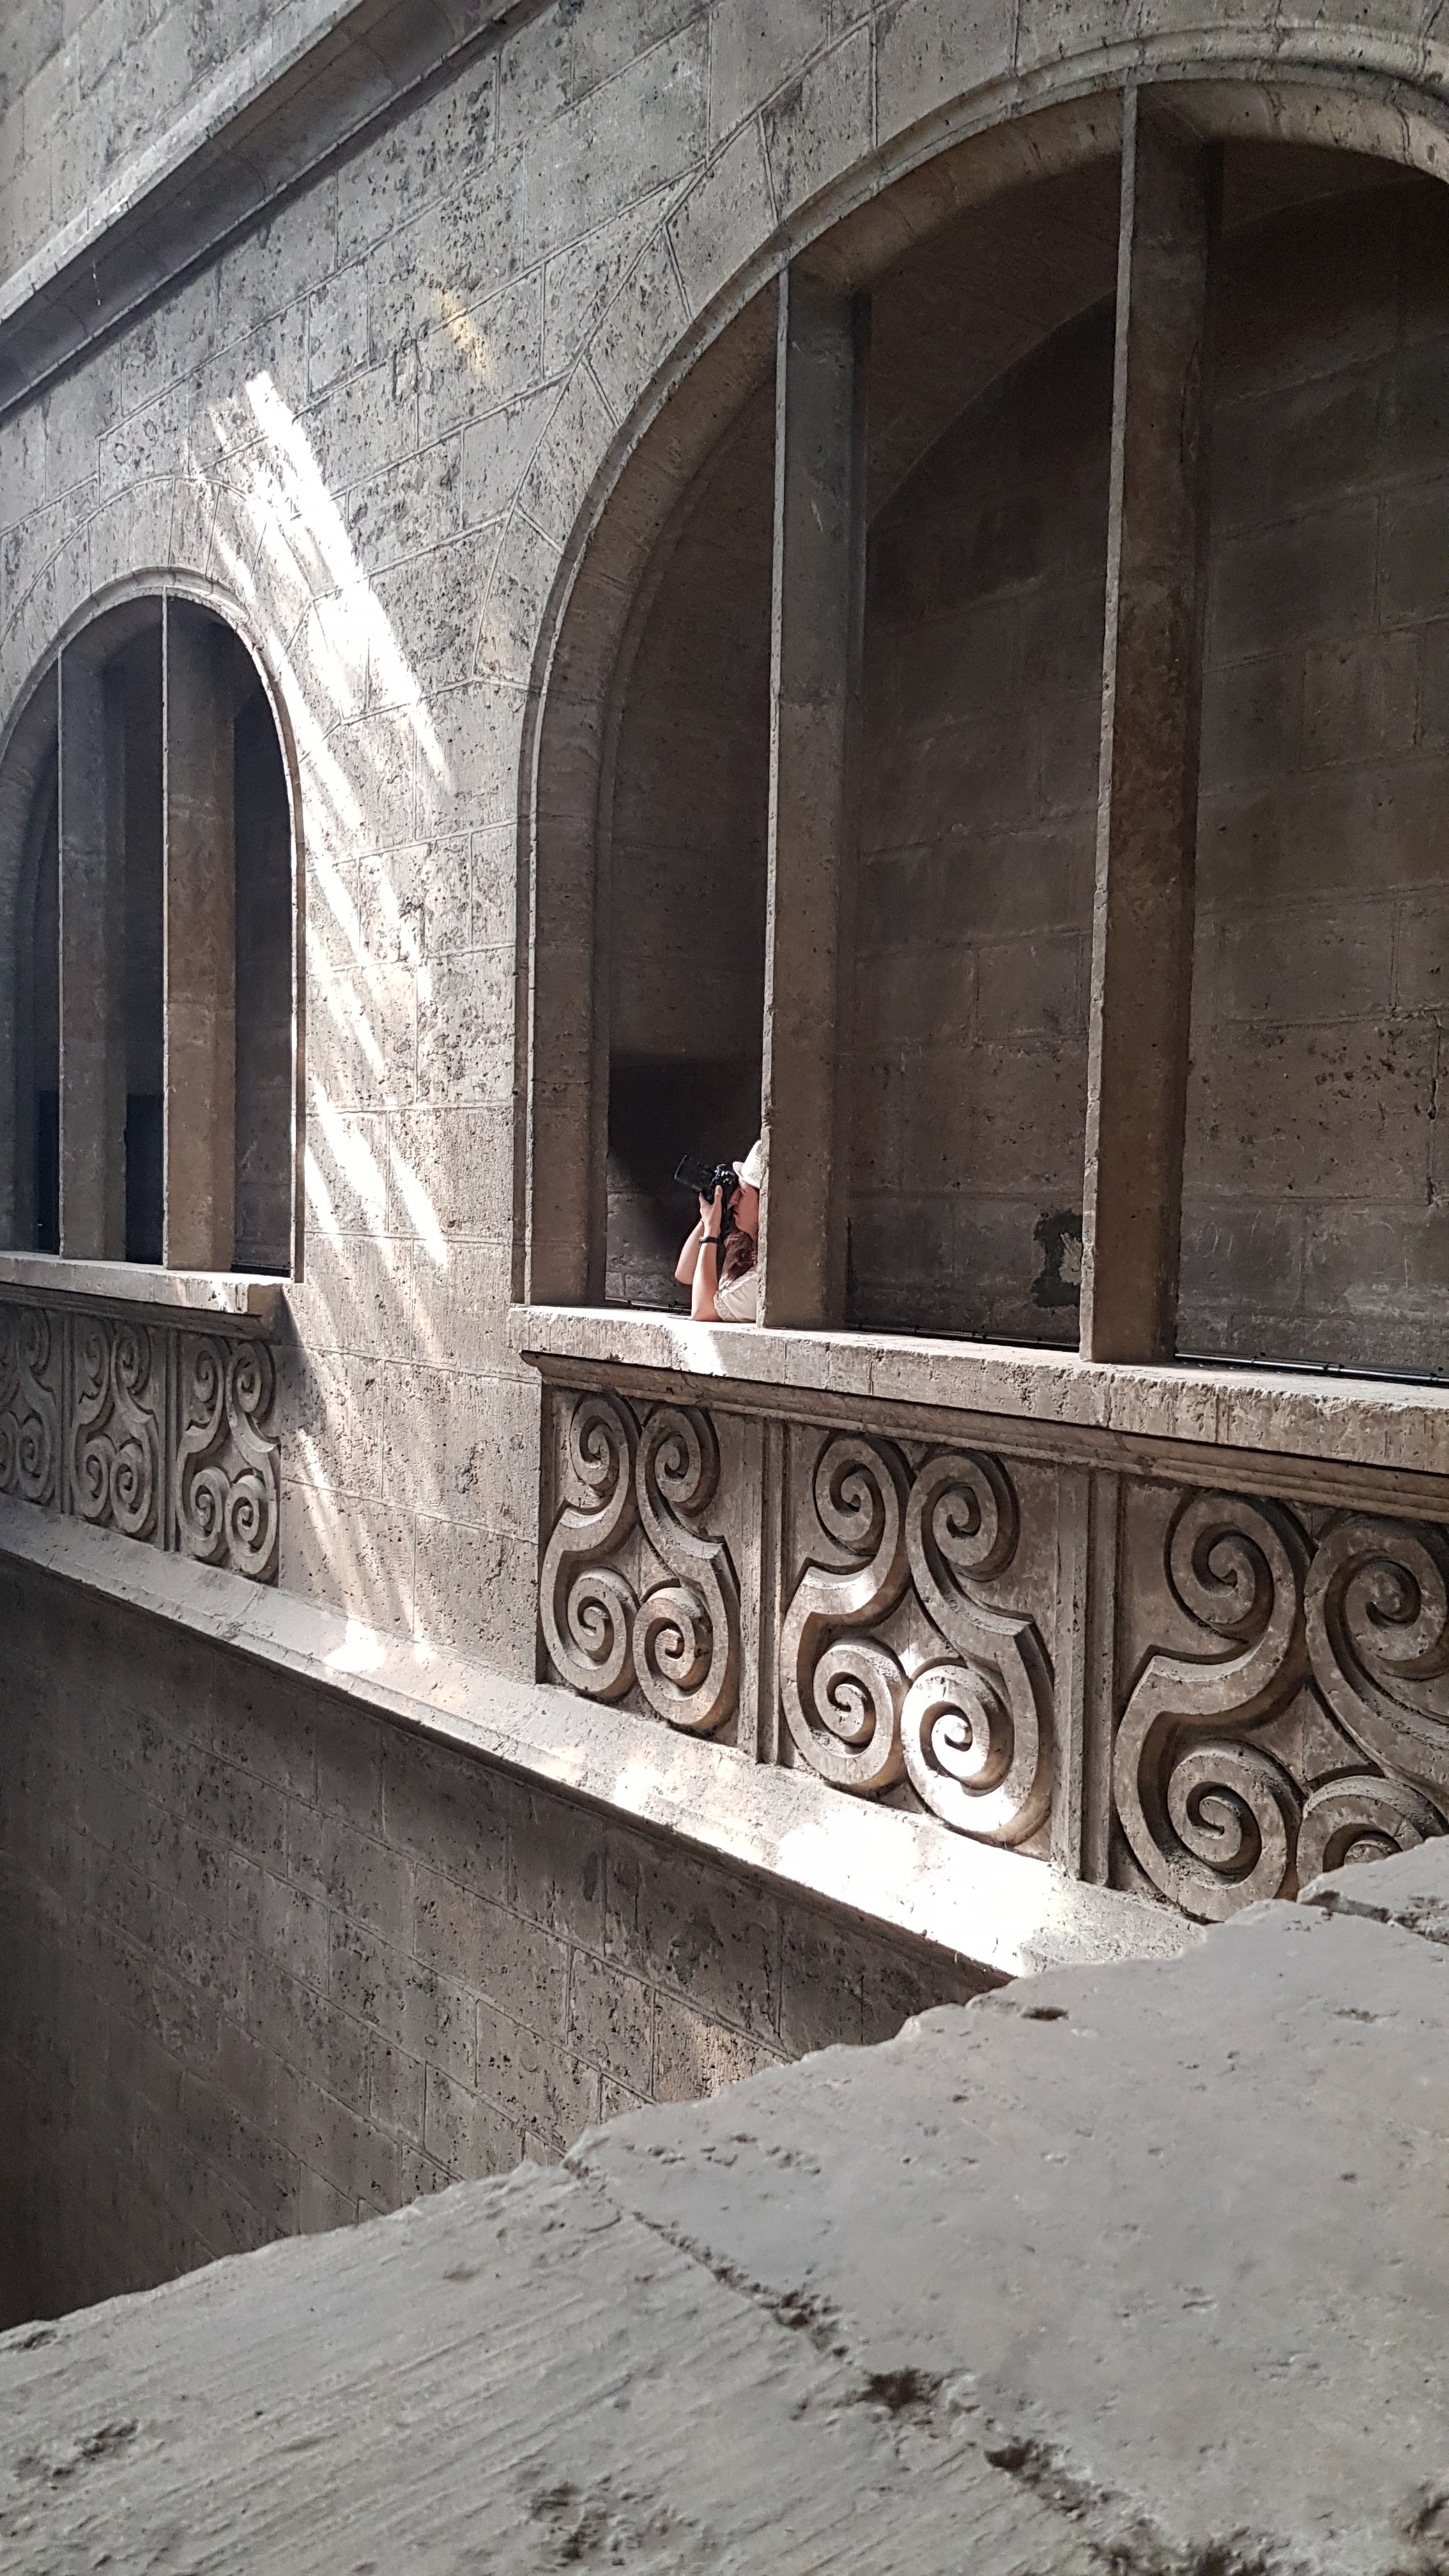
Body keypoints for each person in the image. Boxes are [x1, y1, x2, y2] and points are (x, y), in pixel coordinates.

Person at [674, 1138, 763, 1323]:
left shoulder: (763, 1275)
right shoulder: (742, 1244)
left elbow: (703, 1311)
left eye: (743, 1193)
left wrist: (711, 1233)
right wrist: (707, 1219)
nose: (734, 1200)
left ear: (764, 1204)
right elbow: (685, 1273)